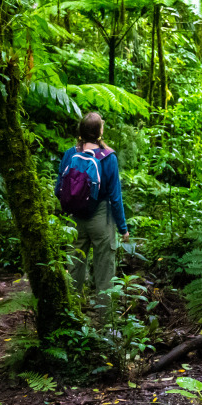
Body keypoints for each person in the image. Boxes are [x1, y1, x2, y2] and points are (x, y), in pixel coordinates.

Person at [56, 112, 129, 305]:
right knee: (105, 272)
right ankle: (107, 325)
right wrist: (123, 228)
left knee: (74, 268)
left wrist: (73, 205)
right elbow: (115, 197)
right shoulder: (108, 157)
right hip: (101, 217)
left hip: (75, 219)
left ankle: (72, 316)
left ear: (80, 132)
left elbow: (59, 189)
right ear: (100, 132)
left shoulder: (71, 154)